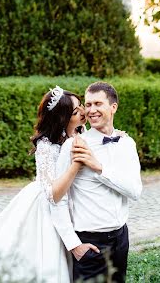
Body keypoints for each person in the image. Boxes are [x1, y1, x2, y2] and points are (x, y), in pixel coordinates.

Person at [0, 85, 99, 283]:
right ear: (62, 116)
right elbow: (50, 192)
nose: (83, 112)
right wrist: (75, 166)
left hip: (71, 200)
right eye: (75, 111)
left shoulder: (81, 134)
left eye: (80, 107)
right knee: (42, 253)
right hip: (44, 205)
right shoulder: (47, 144)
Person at [51, 81, 142, 283]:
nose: (91, 110)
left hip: (121, 239)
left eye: (98, 104)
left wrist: (99, 168)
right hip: (89, 243)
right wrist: (74, 245)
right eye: (88, 104)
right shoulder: (73, 146)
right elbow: (57, 199)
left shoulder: (127, 143)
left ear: (113, 107)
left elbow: (135, 191)